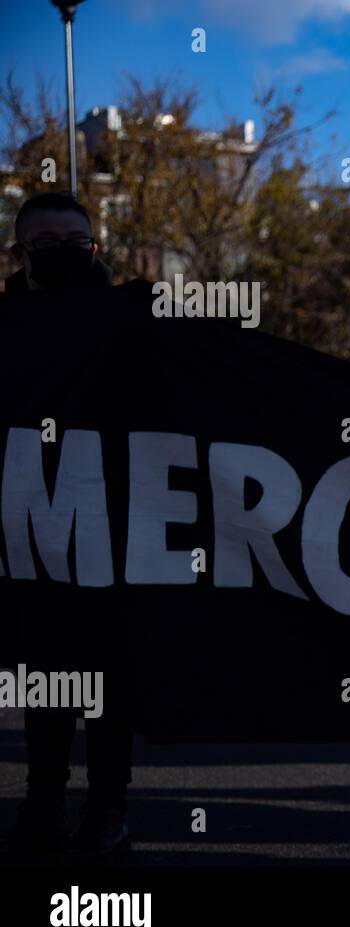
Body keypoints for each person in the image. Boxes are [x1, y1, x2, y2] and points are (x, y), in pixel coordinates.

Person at [0, 191, 135, 864]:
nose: (59, 251)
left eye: (72, 240)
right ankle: (44, 807)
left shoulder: (135, 323)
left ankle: (108, 813)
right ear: (21, 253)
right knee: (45, 682)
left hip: (114, 537)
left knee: (110, 688)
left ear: (95, 249)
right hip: (30, 538)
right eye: (43, 241)